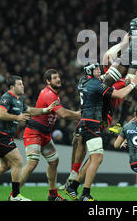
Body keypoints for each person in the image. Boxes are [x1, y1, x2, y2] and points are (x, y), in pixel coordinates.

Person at [65, 63, 137, 201]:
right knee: (98, 158)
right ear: (89, 71)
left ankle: (73, 186)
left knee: (93, 158)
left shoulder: (84, 81)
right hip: (91, 123)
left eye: (99, 69)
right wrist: (133, 84)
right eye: (96, 69)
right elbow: (119, 94)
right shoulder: (96, 84)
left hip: (86, 122)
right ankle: (85, 194)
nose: (99, 71)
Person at [0, 75, 58, 201]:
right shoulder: (7, 97)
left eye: (22, 83)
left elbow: (30, 110)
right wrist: (17, 117)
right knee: (18, 162)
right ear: (12, 87)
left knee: (5, 166)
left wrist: (45, 110)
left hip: (4, 136)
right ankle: (15, 196)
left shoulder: (19, 100)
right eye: (20, 84)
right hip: (0, 135)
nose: (23, 86)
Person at [19, 69, 81, 201]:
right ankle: (13, 194)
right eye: (54, 78)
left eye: (58, 77)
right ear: (48, 81)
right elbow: (63, 114)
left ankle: (52, 195)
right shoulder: (49, 94)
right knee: (32, 163)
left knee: (54, 161)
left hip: (45, 135)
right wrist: (77, 115)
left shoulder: (54, 94)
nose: (58, 79)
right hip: (34, 132)